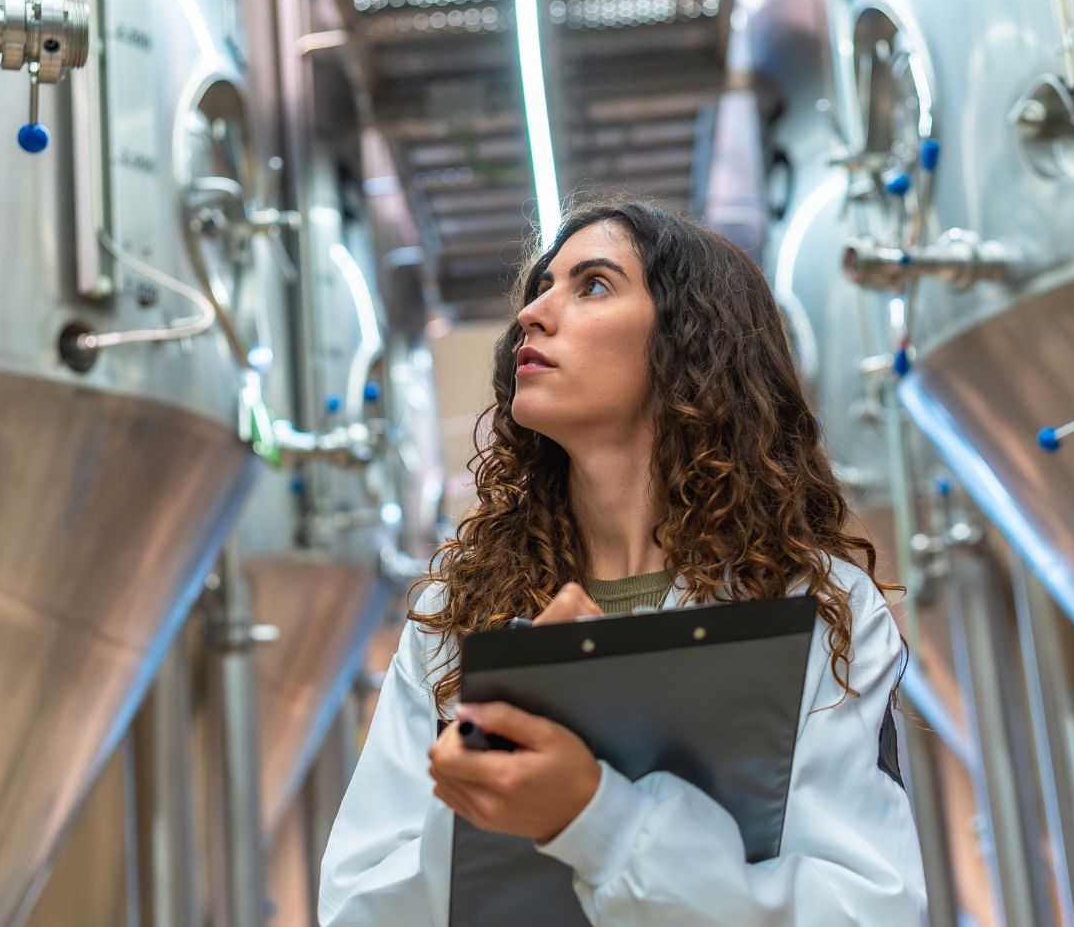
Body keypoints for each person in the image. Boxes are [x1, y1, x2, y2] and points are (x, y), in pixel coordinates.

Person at [317, 200, 927, 926]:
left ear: (689, 343)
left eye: (592, 284)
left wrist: (595, 817)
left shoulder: (817, 605)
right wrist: (499, 768)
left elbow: (867, 908)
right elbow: (356, 905)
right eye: (541, 287)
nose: (534, 314)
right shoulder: (457, 614)